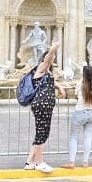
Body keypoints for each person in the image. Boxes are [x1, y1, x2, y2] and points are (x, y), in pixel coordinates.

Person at [24, 38, 65, 173]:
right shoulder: (41, 68)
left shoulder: (45, 74)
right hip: (41, 105)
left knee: (41, 133)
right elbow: (48, 60)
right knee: (42, 133)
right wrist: (53, 48)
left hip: (44, 105)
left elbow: (50, 82)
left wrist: (59, 87)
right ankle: (39, 163)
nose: (51, 61)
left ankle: (29, 162)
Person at [61, 66, 92, 169]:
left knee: (74, 137)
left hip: (80, 112)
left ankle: (71, 162)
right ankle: (85, 162)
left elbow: (76, 96)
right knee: (88, 137)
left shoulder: (80, 83)